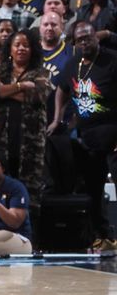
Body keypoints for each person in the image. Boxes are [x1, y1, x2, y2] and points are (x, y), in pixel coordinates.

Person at [49, 21, 117, 253]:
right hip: (89, 139)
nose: (85, 42)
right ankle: (104, 236)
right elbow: (61, 90)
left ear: (97, 38)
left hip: (113, 134)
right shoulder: (72, 64)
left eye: (89, 37)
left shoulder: (111, 60)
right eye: (80, 39)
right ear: (75, 43)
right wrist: (57, 119)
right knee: (94, 190)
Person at [0, 29, 51, 212]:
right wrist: (21, 87)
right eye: (17, 44)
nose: (21, 48)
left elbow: (38, 96)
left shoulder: (41, 72)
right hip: (2, 139)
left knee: (30, 191)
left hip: (30, 142)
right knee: (1, 185)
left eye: (26, 45)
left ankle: (29, 236)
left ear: (33, 49)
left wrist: (5, 91)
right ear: (10, 49)